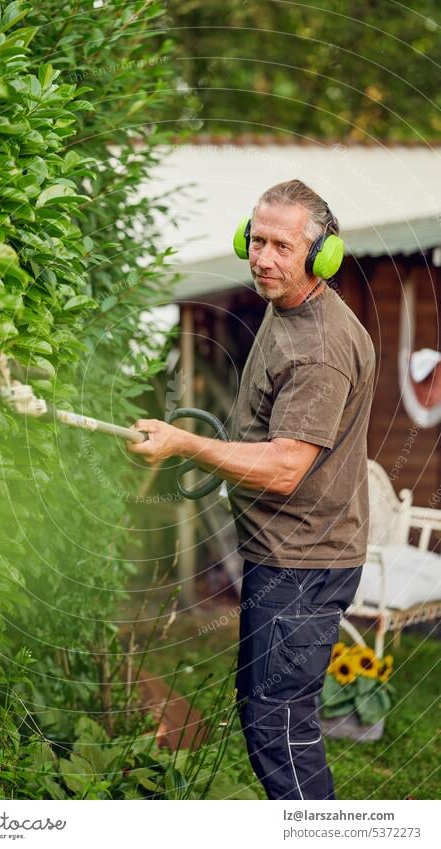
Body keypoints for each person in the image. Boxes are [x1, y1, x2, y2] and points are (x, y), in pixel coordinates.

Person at [128, 179, 376, 800]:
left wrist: (187, 446)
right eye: (256, 240)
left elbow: (287, 467)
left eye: (281, 247)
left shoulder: (319, 350)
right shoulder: (287, 303)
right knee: (266, 706)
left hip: (304, 561)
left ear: (322, 257)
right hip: (286, 553)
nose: (262, 258)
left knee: (277, 726)